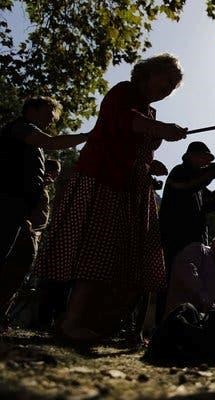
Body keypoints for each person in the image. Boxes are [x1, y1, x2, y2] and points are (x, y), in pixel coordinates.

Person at [33, 53, 188, 343]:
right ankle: (71, 321)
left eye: (172, 86)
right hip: (104, 181)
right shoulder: (124, 92)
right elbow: (127, 122)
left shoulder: (149, 113)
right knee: (95, 253)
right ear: (148, 72)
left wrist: (149, 163)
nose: (167, 88)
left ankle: (96, 323)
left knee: (120, 261)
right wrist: (162, 130)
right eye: (165, 80)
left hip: (130, 189)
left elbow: (133, 144)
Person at [0, 97, 87, 266]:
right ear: (32, 110)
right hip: (7, 200)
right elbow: (51, 142)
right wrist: (88, 135)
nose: (50, 121)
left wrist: (38, 184)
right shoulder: (21, 128)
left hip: (18, 206)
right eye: (48, 115)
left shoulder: (31, 141)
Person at [157, 142, 215, 321]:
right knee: (170, 284)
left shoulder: (198, 183)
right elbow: (192, 184)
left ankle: (183, 327)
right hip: (176, 240)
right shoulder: (179, 173)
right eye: (204, 158)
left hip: (193, 244)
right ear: (191, 156)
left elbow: (211, 202)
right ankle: (162, 326)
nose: (206, 163)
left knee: (190, 288)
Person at [0, 159, 62, 322]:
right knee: (11, 276)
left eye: (56, 173)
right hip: (24, 236)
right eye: (53, 171)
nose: (54, 176)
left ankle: (4, 315)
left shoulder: (46, 189)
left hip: (33, 237)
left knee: (17, 279)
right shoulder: (33, 185)